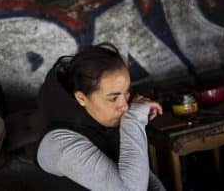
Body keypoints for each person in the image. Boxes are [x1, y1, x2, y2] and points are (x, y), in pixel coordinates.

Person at [35, 43, 166, 191]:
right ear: (81, 98)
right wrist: (134, 119)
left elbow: (143, 177)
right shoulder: (60, 144)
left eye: (126, 93)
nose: (125, 106)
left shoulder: (105, 120)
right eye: (113, 98)